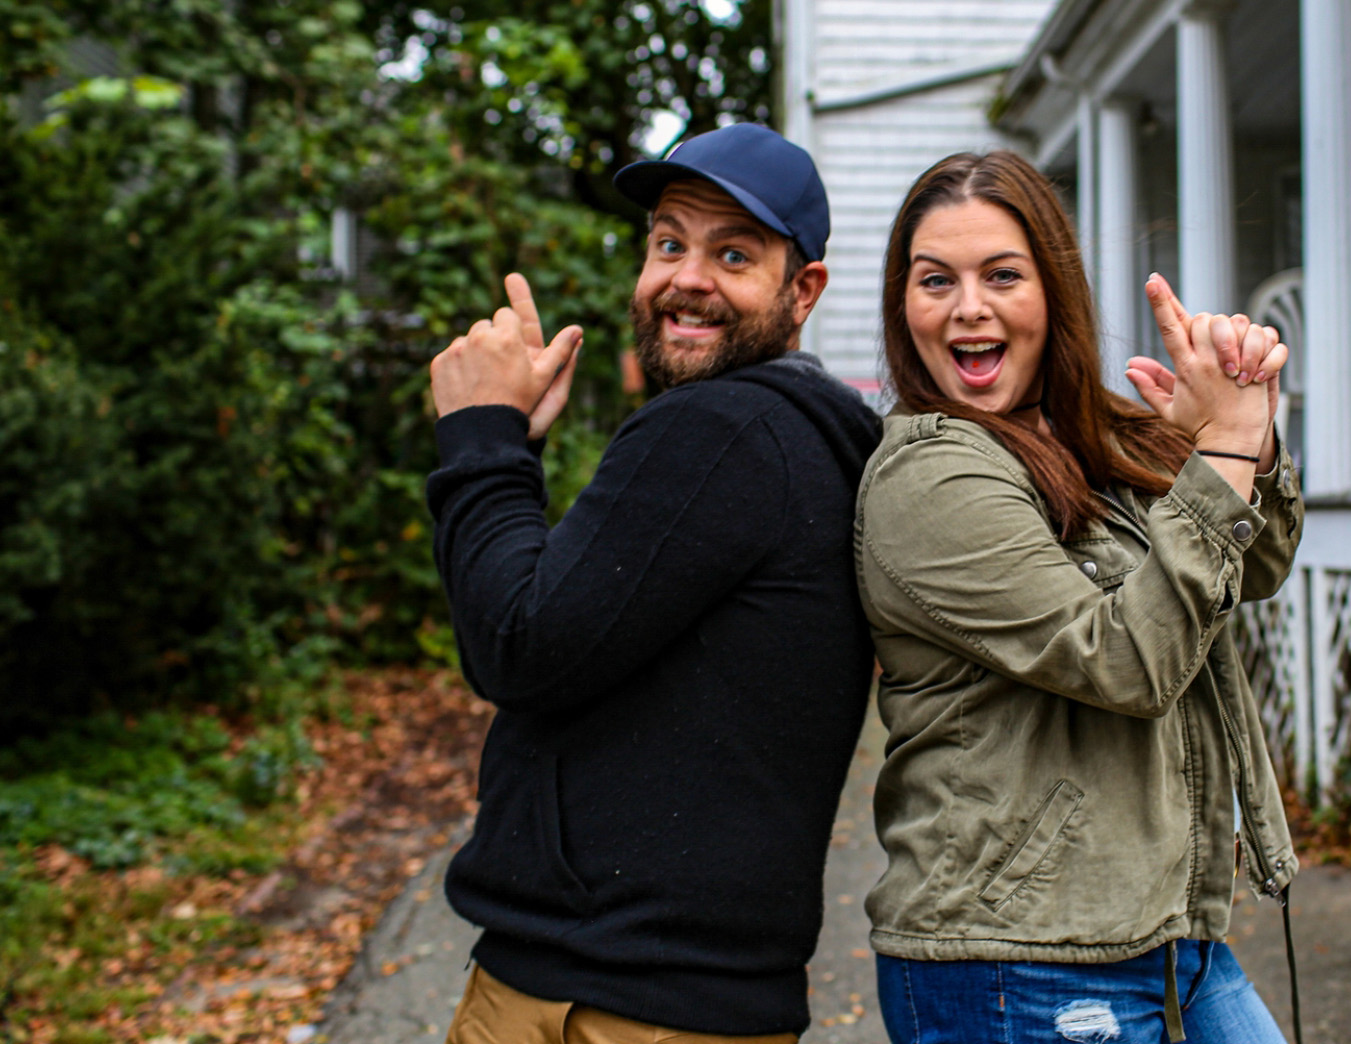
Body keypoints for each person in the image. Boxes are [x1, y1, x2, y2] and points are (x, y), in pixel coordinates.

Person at [424, 123, 882, 1043]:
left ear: (804, 291)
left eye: (734, 254)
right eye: (669, 242)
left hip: (605, 1002)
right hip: (681, 991)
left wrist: (480, 440)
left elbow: (518, 644)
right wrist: (515, 447)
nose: (686, 278)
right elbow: (588, 621)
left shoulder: (722, 430)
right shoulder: (802, 441)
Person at [855, 150, 1304, 1044]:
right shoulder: (930, 475)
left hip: (1159, 928)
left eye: (1002, 275)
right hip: (1016, 955)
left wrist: (1241, 436)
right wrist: (1216, 457)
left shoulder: (1083, 436)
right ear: (905, 306)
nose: (968, 307)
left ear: (1053, 292)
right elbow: (1130, 662)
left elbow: (1250, 570)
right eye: (935, 279)